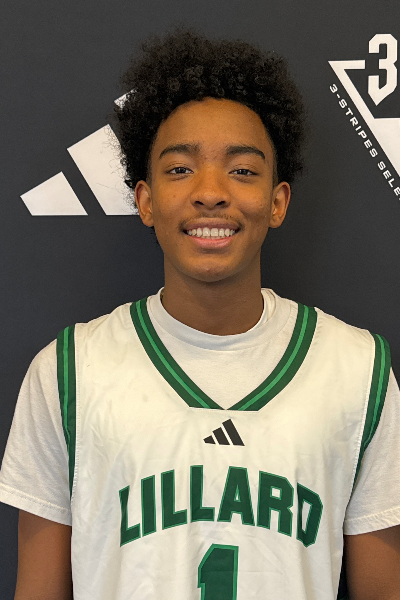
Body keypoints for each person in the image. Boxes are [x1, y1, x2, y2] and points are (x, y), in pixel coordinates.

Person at [1, 28, 400, 600]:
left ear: (278, 201)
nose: (211, 192)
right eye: (180, 169)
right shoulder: (67, 372)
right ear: (145, 200)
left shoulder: (358, 370)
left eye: (243, 170)